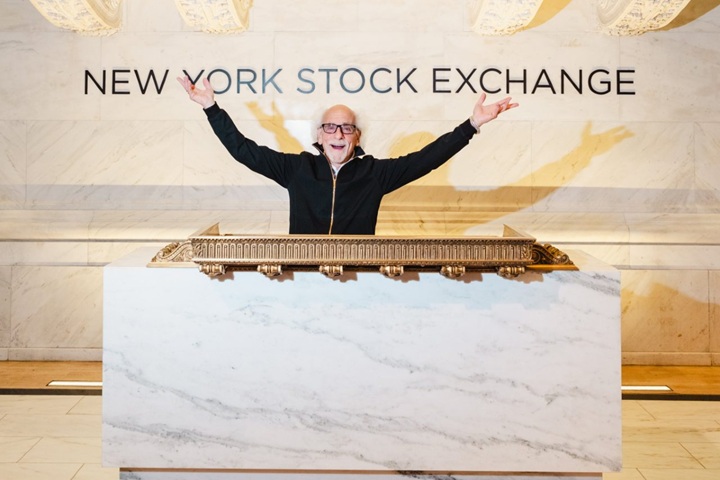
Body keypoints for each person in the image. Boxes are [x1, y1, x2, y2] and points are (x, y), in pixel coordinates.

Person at [178, 76, 518, 235]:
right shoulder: (297, 168)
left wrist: (472, 124)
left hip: (359, 273)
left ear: (357, 137)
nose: (338, 134)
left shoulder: (375, 174)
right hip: (303, 270)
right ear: (319, 136)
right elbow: (243, 150)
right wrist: (211, 108)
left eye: (346, 128)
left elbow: (427, 158)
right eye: (330, 127)